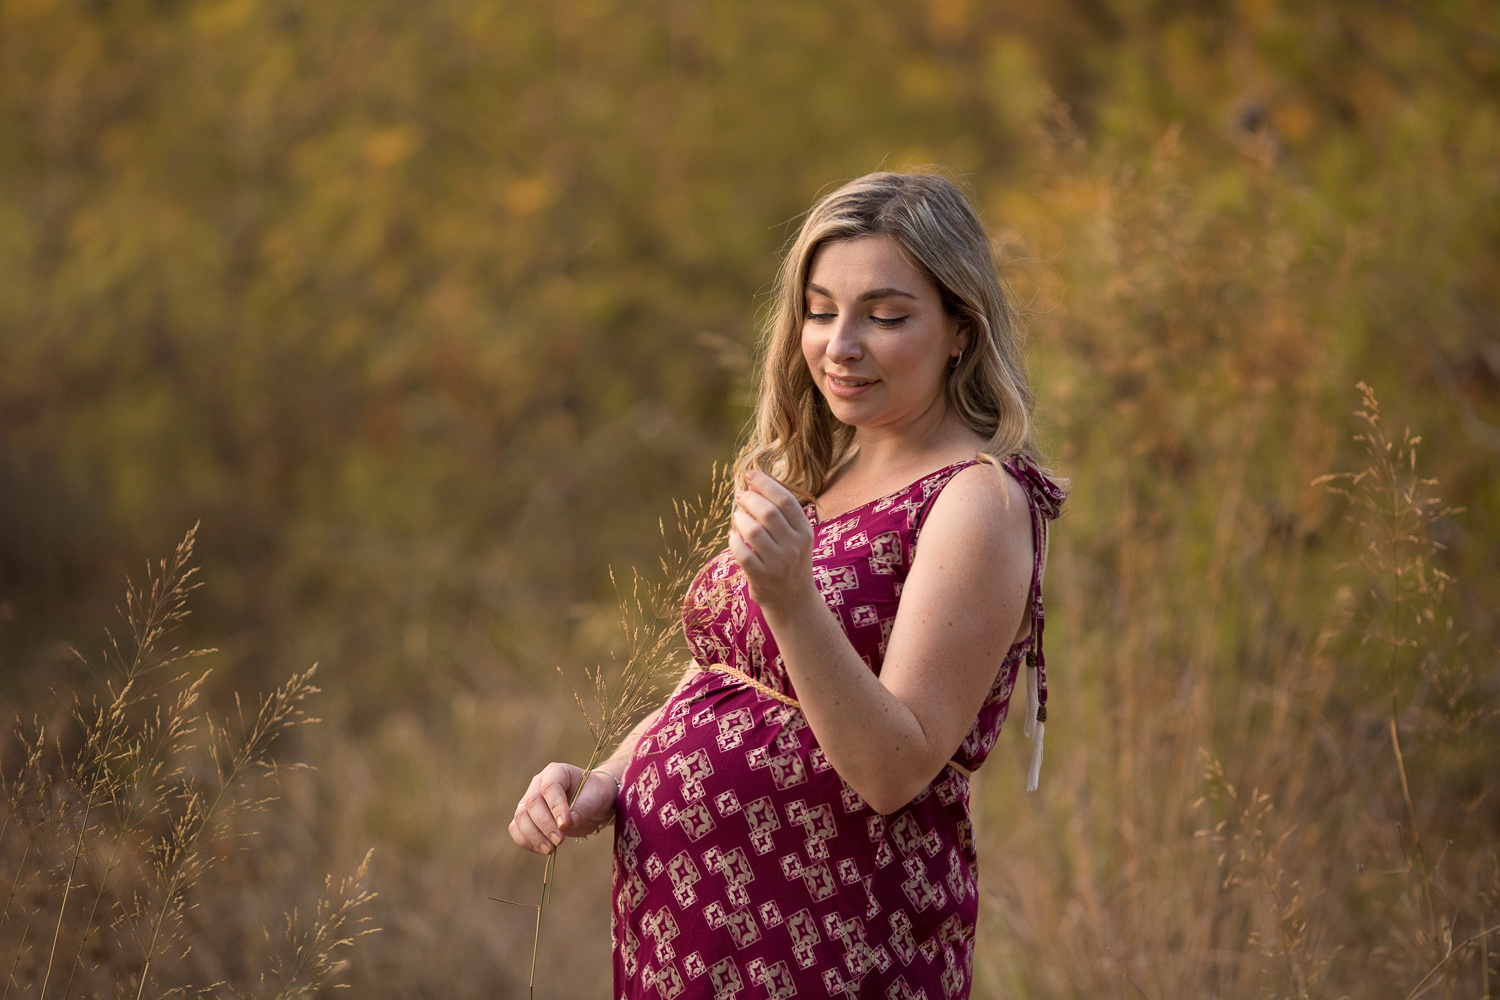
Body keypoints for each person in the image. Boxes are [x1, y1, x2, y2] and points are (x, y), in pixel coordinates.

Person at [510, 171, 1065, 999]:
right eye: (819, 310)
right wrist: (606, 781)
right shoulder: (818, 468)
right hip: (689, 938)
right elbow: (728, 681)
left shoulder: (975, 499)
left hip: (834, 947)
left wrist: (793, 598)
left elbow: (894, 768)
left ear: (960, 329)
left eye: (885, 316)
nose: (840, 345)